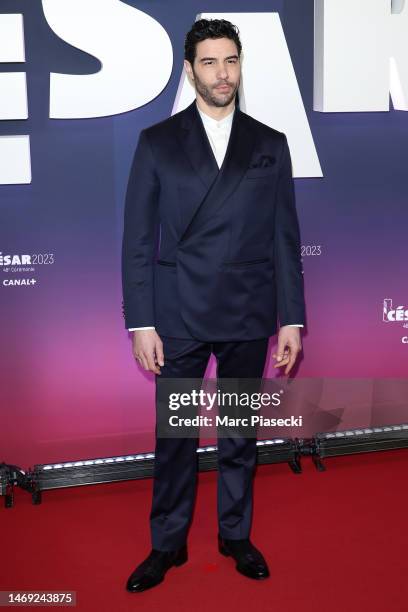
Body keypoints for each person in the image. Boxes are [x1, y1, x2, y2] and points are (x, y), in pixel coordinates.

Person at [121, 18, 306, 592]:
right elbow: (137, 238)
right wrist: (141, 322)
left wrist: (292, 318)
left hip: (249, 312)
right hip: (176, 315)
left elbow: (284, 237)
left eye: (230, 61)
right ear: (189, 69)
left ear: (240, 65)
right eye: (209, 62)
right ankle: (167, 544)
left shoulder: (269, 143)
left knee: (239, 432)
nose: (221, 73)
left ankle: (235, 534)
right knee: (175, 435)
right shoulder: (157, 142)